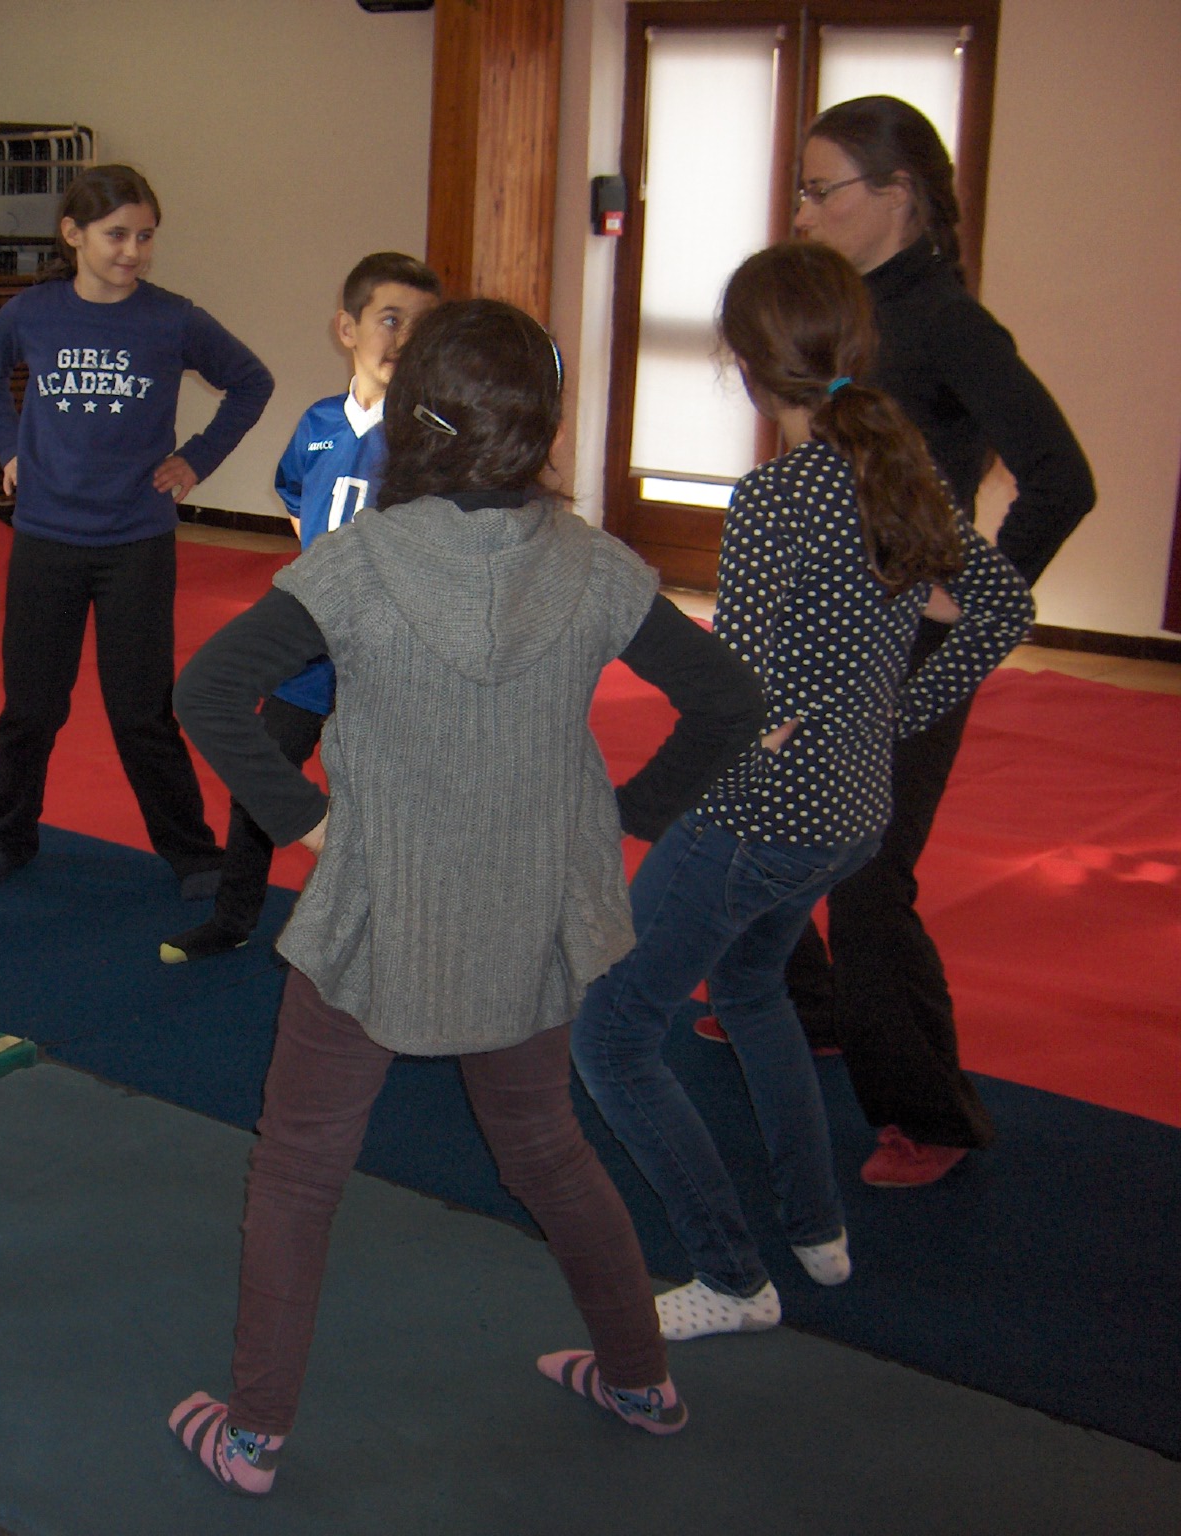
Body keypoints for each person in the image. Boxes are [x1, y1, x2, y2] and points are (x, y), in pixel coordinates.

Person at [166, 300, 769, 1493]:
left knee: (297, 1171)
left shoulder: (355, 566)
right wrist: (622, 820)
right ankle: (640, 1378)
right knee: (546, 1149)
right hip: (525, 917)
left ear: (413, 422)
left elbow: (205, 693)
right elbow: (726, 704)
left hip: (376, 921)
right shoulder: (596, 566)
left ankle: (252, 1434)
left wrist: (305, 823)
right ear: (540, 426)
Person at [570, 242, 1034, 1343]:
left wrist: (635, 800)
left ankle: (731, 1276)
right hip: (849, 811)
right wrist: (899, 711)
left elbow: (734, 689)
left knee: (610, 1032)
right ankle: (815, 1227)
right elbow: (1003, 607)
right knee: (749, 990)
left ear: (740, 363)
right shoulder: (898, 473)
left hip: (757, 817)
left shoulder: (778, 494)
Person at [780, 95, 1095, 1187]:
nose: (804, 208)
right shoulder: (840, 309)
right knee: (758, 810)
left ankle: (931, 1116)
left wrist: (970, 600)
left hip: (909, 645)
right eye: (802, 189)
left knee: (866, 876)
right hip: (826, 620)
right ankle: (812, 1007)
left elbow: (1060, 477)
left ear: (896, 195)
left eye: (822, 189)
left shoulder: (947, 321)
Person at [0, 164, 274, 890]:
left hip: (136, 540)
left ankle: (192, 852)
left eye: (145, 237)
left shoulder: (172, 318)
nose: (131, 251)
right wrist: (11, 449)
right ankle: (7, 835)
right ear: (73, 234)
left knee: (142, 712)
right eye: (115, 236)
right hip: (46, 536)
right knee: (32, 705)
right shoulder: (33, 313)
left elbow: (250, 381)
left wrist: (194, 460)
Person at [158, 252, 440, 964]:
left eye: (422, 325)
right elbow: (295, 498)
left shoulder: (428, 441)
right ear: (346, 328)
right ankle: (235, 915)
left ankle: (390, 928)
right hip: (305, 650)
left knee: (379, 791)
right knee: (263, 780)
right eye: (389, 319)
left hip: (382, 657)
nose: (405, 337)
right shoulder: (317, 423)